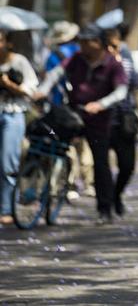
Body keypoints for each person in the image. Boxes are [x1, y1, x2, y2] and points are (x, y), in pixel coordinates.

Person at [39, 24, 128, 224]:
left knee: (101, 163)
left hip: (99, 120)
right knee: (51, 146)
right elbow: (56, 73)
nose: (82, 46)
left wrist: (100, 104)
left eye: (86, 42)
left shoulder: (113, 63)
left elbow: (121, 91)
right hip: (74, 114)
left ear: (98, 43)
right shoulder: (77, 59)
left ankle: (105, 209)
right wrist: (44, 89)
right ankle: (50, 192)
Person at [42, 21, 92, 202]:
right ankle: (87, 183)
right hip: (79, 106)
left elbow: (48, 78)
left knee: (64, 145)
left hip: (58, 110)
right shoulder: (80, 53)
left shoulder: (52, 56)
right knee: (83, 146)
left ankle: (66, 185)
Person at [104, 25, 138, 216]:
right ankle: (104, 206)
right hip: (102, 119)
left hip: (125, 118)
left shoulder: (126, 57)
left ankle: (116, 194)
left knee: (127, 166)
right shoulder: (96, 60)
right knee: (101, 165)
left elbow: (136, 88)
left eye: (117, 43)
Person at [0, 30, 39, 227]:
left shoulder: (19, 62)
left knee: (8, 163)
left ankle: (7, 209)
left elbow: (30, 90)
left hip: (13, 114)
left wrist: (9, 85)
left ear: (7, 43)